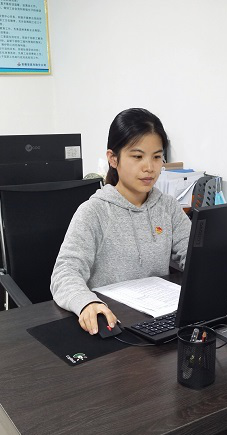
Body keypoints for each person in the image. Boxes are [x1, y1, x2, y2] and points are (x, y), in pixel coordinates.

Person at [50, 108, 192, 335]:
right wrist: (87, 303)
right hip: (113, 323)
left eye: (157, 157)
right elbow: (64, 273)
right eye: (137, 156)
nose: (149, 167)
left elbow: (194, 255)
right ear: (113, 159)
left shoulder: (168, 207)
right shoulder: (94, 212)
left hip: (158, 322)